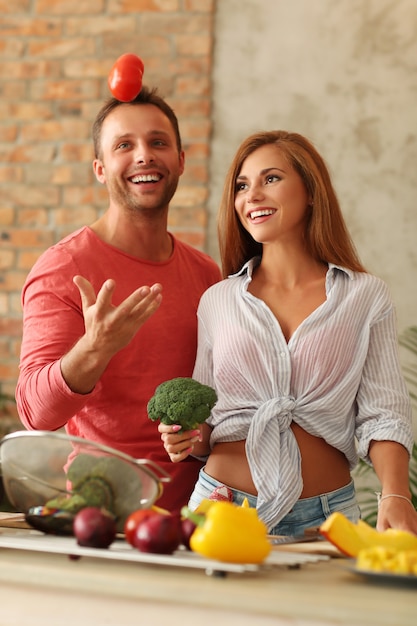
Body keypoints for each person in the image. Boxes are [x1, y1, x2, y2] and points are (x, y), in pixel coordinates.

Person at [159, 130, 417, 536]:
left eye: (271, 179)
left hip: (329, 519)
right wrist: (185, 438)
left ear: (311, 191)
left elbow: (383, 414)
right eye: (242, 186)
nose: (252, 195)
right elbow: (207, 421)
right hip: (219, 506)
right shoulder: (217, 300)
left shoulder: (365, 296)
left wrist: (396, 495)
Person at [15, 86, 221, 512]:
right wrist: (95, 348)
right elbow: (36, 413)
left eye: (158, 142)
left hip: (199, 517)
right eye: (124, 145)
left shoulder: (207, 275)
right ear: (101, 168)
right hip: (105, 516)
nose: (144, 155)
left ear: (181, 161)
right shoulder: (63, 269)